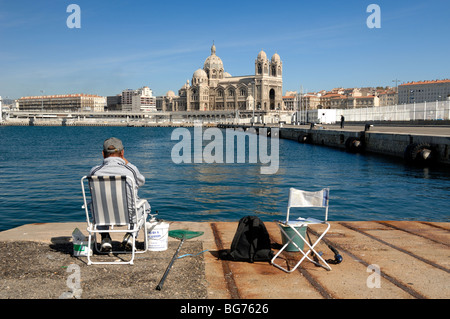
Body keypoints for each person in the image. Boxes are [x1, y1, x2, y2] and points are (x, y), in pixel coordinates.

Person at [89, 137, 150, 252]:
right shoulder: (130, 170)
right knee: (145, 206)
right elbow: (141, 182)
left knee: (96, 204)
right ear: (122, 152)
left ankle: (105, 237)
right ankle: (131, 236)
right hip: (128, 216)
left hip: (103, 217)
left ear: (103, 154)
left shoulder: (94, 172)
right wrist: (126, 162)